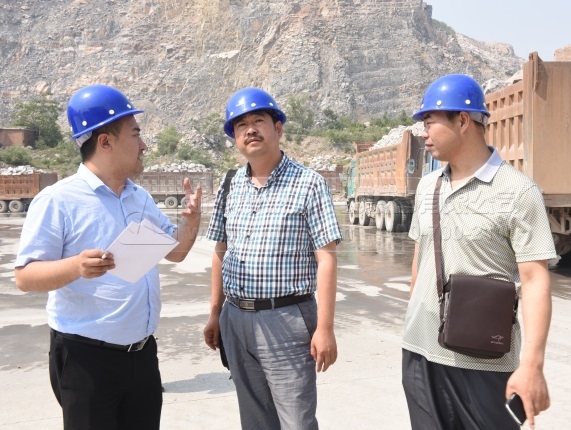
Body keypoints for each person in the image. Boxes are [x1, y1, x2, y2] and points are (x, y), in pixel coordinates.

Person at [15, 84, 202, 430]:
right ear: (105, 141)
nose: (144, 145)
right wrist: (76, 267)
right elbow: (25, 277)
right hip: (87, 361)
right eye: (136, 134)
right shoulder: (59, 200)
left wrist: (190, 222)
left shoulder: (139, 197)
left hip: (142, 356)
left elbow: (176, 251)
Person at [402, 74, 557, 430]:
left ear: (462, 121)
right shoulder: (427, 187)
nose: (423, 133)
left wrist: (532, 365)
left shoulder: (518, 191)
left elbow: (535, 281)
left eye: (430, 122)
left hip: (484, 361)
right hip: (420, 353)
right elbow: (420, 261)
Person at [203, 87, 342, 430]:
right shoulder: (229, 184)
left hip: (286, 320)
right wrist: (215, 313)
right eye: (241, 125)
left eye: (258, 121)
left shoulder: (308, 183)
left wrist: (325, 328)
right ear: (234, 137)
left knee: (296, 421)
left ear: (277, 128)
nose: (250, 129)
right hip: (235, 318)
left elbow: (326, 259)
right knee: (254, 420)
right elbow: (220, 251)